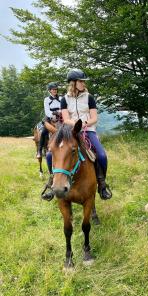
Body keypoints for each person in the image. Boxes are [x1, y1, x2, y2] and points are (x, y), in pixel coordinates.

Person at [60, 69, 112, 200]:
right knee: (50, 155)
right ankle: (52, 183)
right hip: (70, 130)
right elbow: (66, 119)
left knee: (101, 155)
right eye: (81, 81)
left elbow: (94, 118)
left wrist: (84, 124)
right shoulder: (64, 99)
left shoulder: (89, 97)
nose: (83, 83)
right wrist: (75, 124)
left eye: (83, 81)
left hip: (88, 130)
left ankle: (102, 185)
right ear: (73, 83)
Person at [36, 82, 61, 158]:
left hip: (60, 116)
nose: (55, 91)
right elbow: (47, 111)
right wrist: (53, 115)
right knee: (44, 131)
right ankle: (39, 151)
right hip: (50, 116)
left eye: (56, 89)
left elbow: (63, 108)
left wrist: (59, 113)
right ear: (50, 90)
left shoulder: (61, 98)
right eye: (53, 89)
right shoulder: (46, 99)